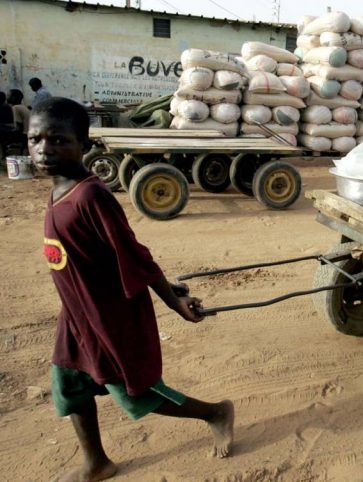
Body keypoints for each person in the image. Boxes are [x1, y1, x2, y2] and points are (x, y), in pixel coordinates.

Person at [29, 97, 234, 482]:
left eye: (57, 140)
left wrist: (173, 300)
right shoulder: (58, 191)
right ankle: (96, 463)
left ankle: (215, 412)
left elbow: (134, 255)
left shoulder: (90, 196)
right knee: (71, 384)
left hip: (108, 315)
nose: (44, 150)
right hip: (76, 314)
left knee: (133, 391)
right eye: (35, 139)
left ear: (84, 146)